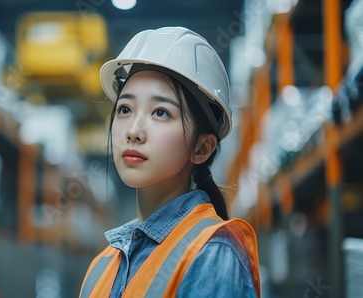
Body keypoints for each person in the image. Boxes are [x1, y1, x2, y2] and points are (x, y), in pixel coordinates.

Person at [79, 27, 261, 297]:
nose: (133, 131)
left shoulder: (212, 253)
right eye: (125, 109)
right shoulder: (101, 265)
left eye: (161, 112)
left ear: (201, 148)